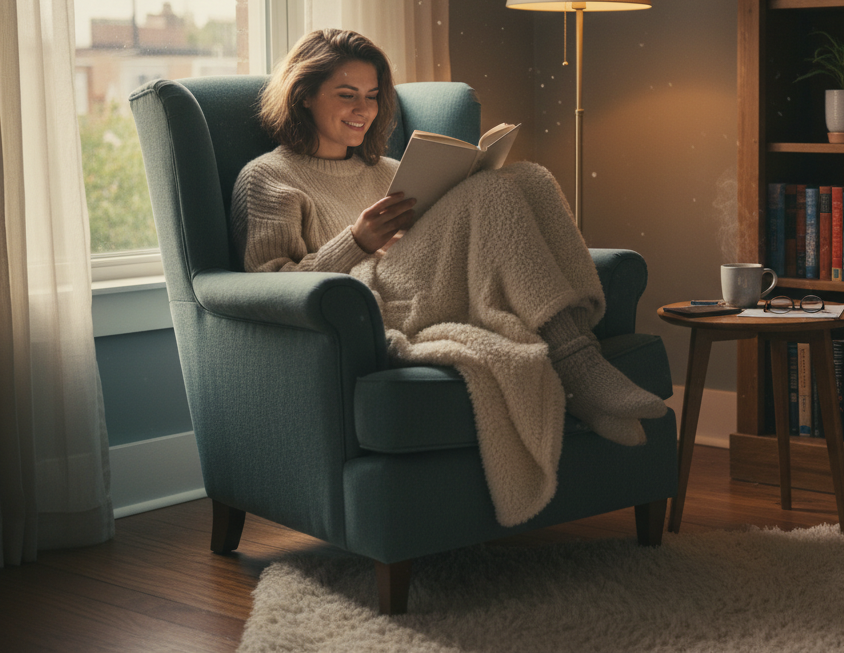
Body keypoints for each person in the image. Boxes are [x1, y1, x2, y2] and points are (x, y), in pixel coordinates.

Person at [231, 29, 667, 477]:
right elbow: (272, 285)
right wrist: (357, 241)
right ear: (304, 96)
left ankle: (576, 352)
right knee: (489, 193)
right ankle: (579, 368)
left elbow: (433, 242)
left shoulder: (391, 171)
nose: (363, 110)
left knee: (528, 177)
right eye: (347, 95)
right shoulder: (268, 177)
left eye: (372, 96)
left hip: (430, 283)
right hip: (370, 306)